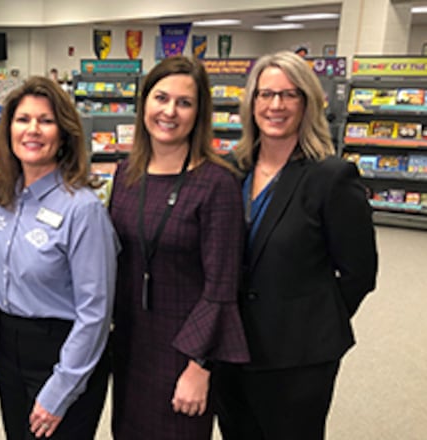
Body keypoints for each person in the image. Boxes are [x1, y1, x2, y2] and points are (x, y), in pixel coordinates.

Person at [213, 51, 378, 440]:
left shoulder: (331, 176)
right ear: (251, 102)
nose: (276, 105)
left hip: (299, 356)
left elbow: (360, 272)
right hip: (231, 349)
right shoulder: (229, 170)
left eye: (289, 95)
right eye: (265, 94)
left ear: (307, 102)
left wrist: (314, 320)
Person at [108, 56, 250, 439]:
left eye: (184, 103)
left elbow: (222, 287)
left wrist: (199, 366)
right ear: (144, 104)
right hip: (132, 343)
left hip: (183, 351)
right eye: (161, 98)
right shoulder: (126, 174)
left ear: (199, 112)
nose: (169, 111)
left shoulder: (217, 183)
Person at [0, 76, 118, 439]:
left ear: (64, 133)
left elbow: (95, 311)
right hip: (9, 346)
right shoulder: (5, 197)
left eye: (45, 121)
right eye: (23, 119)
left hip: (63, 351)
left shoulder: (82, 208)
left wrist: (62, 388)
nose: (33, 130)